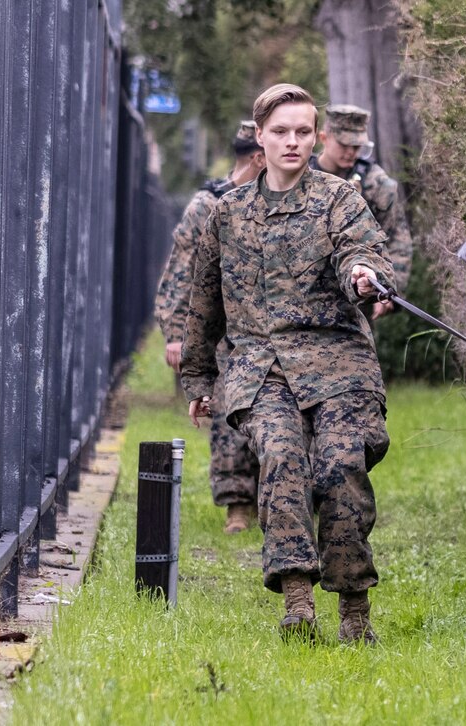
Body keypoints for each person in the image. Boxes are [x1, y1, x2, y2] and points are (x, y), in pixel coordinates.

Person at [180, 83, 395, 644]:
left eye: (303, 131)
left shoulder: (340, 199)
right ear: (260, 138)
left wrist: (364, 275)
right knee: (280, 459)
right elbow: (204, 301)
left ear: (317, 136)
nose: (293, 142)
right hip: (262, 367)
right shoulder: (226, 213)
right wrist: (199, 378)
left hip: (339, 363)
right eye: (280, 132)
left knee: (341, 466)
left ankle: (354, 611)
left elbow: (364, 249)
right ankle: (298, 600)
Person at [153, 121, 267, 534]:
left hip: (267, 326)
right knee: (224, 415)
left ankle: (278, 499)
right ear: (258, 157)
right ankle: (237, 503)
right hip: (221, 328)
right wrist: (175, 333)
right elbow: (181, 270)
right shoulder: (208, 205)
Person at [310, 104, 413, 321]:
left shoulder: (377, 184)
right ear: (324, 137)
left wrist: (389, 290)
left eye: (357, 146)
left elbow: (397, 239)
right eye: (344, 144)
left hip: (357, 295)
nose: (351, 152)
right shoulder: (301, 176)